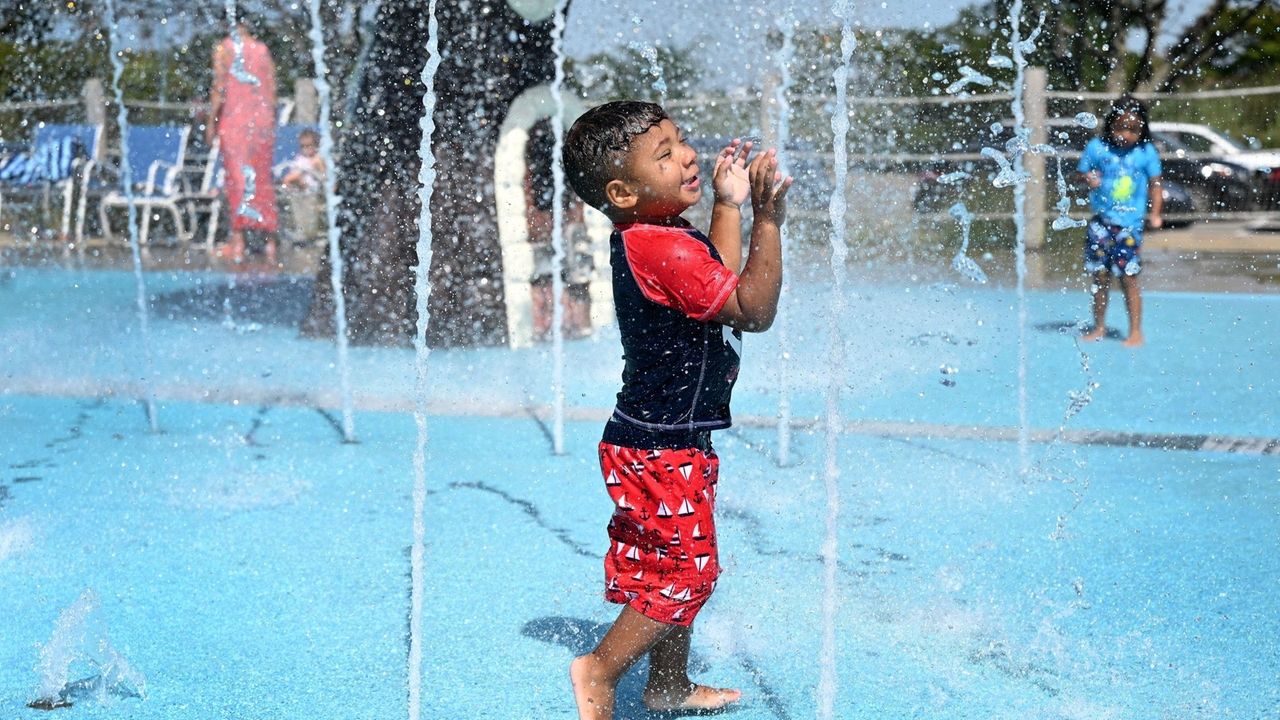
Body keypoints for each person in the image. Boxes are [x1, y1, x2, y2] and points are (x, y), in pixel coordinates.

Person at [561, 100, 792, 719]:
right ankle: (600, 670)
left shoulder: (657, 235)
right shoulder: (658, 246)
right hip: (659, 447)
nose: (687, 154)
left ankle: (666, 684)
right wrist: (767, 219)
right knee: (686, 571)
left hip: (663, 437)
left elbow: (713, 277)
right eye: (663, 154)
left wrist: (727, 206)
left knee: (666, 565)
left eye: (680, 140)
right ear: (623, 190)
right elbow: (752, 310)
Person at [1078, 95, 1163, 347]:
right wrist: (1088, 178)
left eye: (1133, 129)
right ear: (1110, 125)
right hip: (1100, 223)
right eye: (1120, 127)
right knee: (1100, 276)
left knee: (1129, 276)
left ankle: (1135, 330)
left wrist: (1156, 213)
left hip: (1130, 225)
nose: (1125, 134)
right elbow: (1082, 172)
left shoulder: (1146, 152)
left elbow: (1155, 184)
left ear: (1142, 129)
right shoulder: (1097, 147)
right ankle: (1099, 326)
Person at [208, 15, 279, 266]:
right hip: (262, 121)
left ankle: (238, 241)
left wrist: (211, 122)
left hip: (235, 120)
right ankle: (270, 242)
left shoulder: (224, 48)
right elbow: (271, 87)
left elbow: (220, 87)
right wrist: (270, 119)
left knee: (237, 179)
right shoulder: (263, 49)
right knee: (261, 178)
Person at [525, 120, 594, 340]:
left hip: (558, 217)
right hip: (549, 218)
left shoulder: (558, 172)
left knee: (573, 274)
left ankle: (571, 323)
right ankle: (553, 325)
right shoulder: (541, 172)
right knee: (548, 274)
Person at [279, 128, 327, 245]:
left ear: (316, 145)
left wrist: (319, 170)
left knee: (310, 213)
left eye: (309, 146)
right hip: (300, 190)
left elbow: (325, 176)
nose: (306, 150)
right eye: (303, 146)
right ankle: (300, 231)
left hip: (311, 190)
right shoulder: (300, 158)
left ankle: (310, 233)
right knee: (299, 212)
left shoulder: (317, 159)